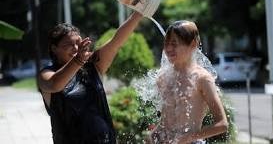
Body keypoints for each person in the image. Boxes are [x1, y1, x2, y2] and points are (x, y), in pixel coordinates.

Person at [38, 12, 143, 144]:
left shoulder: (93, 65)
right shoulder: (46, 74)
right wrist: (78, 60)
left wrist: (138, 15)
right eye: (68, 45)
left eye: (78, 43)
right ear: (54, 48)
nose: (75, 48)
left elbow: (116, 42)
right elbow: (55, 84)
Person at [148, 20, 228, 144]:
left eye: (174, 43)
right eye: (166, 43)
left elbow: (222, 124)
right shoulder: (163, 77)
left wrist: (187, 138)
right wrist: (153, 135)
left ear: (193, 44)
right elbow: (167, 120)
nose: (168, 48)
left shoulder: (202, 79)